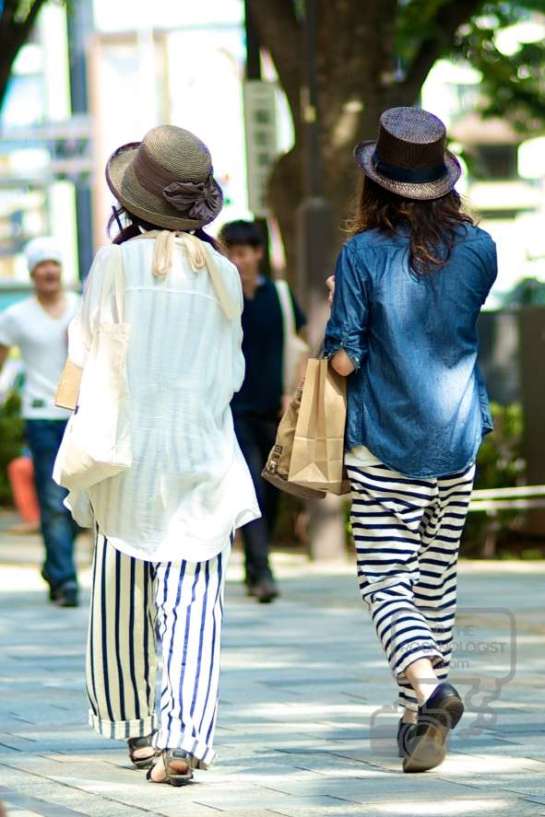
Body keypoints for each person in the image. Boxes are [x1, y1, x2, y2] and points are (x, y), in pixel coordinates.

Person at [65, 126, 259, 786]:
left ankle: (138, 726)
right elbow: (232, 369)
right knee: (193, 601)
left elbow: (83, 353)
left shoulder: (111, 265)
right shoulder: (225, 274)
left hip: (125, 450)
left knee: (122, 593)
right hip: (201, 450)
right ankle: (185, 737)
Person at [324, 107, 497, 773]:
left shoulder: (360, 253)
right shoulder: (480, 248)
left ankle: (432, 690)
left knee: (384, 580)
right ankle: (417, 723)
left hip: (387, 441)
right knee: (433, 581)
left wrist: (341, 296)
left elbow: (344, 358)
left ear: (377, 184)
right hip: (457, 437)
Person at [219, 220, 306, 604]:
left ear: (257, 253)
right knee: (250, 485)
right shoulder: (220, 298)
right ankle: (262, 572)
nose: (237, 260)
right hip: (232, 409)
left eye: (243, 252)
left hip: (275, 409)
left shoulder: (281, 295)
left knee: (272, 492)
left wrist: (293, 393)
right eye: (230, 252)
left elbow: (301, 343)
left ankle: (257, 561)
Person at [0, 238, 80, 606]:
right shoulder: (16, 316)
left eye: (54, 264)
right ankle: (65, 580)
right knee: (52, 500)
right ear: (32, 273)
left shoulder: (80, 310)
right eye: (41, 266)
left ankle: (54, 563)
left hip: (81, 416)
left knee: (81, 502)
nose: (49, 272)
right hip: (41, 416)